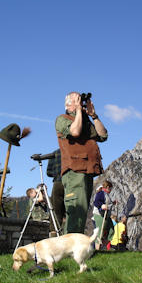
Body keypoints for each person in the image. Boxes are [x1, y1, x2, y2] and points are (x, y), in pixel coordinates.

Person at [56, 92, 108, 234]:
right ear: (68, 105)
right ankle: (71, 249)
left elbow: (103, 135)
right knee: (76, 209)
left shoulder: (85, 121)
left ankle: (71, 248)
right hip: (74, 171)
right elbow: (75, 131)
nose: (81, 104)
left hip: (87, 171)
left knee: (82, 210)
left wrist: (94, 116)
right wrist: (79, 111)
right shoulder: (62, 119)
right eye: (77, 101)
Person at [93, 180, 115, 249]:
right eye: (110, 188)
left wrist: (113, 203)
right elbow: (96, 202)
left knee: (111, 230)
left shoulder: (106, 194)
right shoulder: (101, 193)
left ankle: (104, 246)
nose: (111, 190)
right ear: (107, 187)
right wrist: (101, 206)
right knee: (100, 232)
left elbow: (107, 203)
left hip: (106, 216)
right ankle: (97, 249)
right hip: (100, 215)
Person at [46, 149, 65, 230]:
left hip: (57, 182)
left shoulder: (55, 153)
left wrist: (57, 173)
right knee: (71, 210)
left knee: (56, 211)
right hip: (71, 182)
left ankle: (54, 233)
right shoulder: (74, 149)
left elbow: (48, 172)